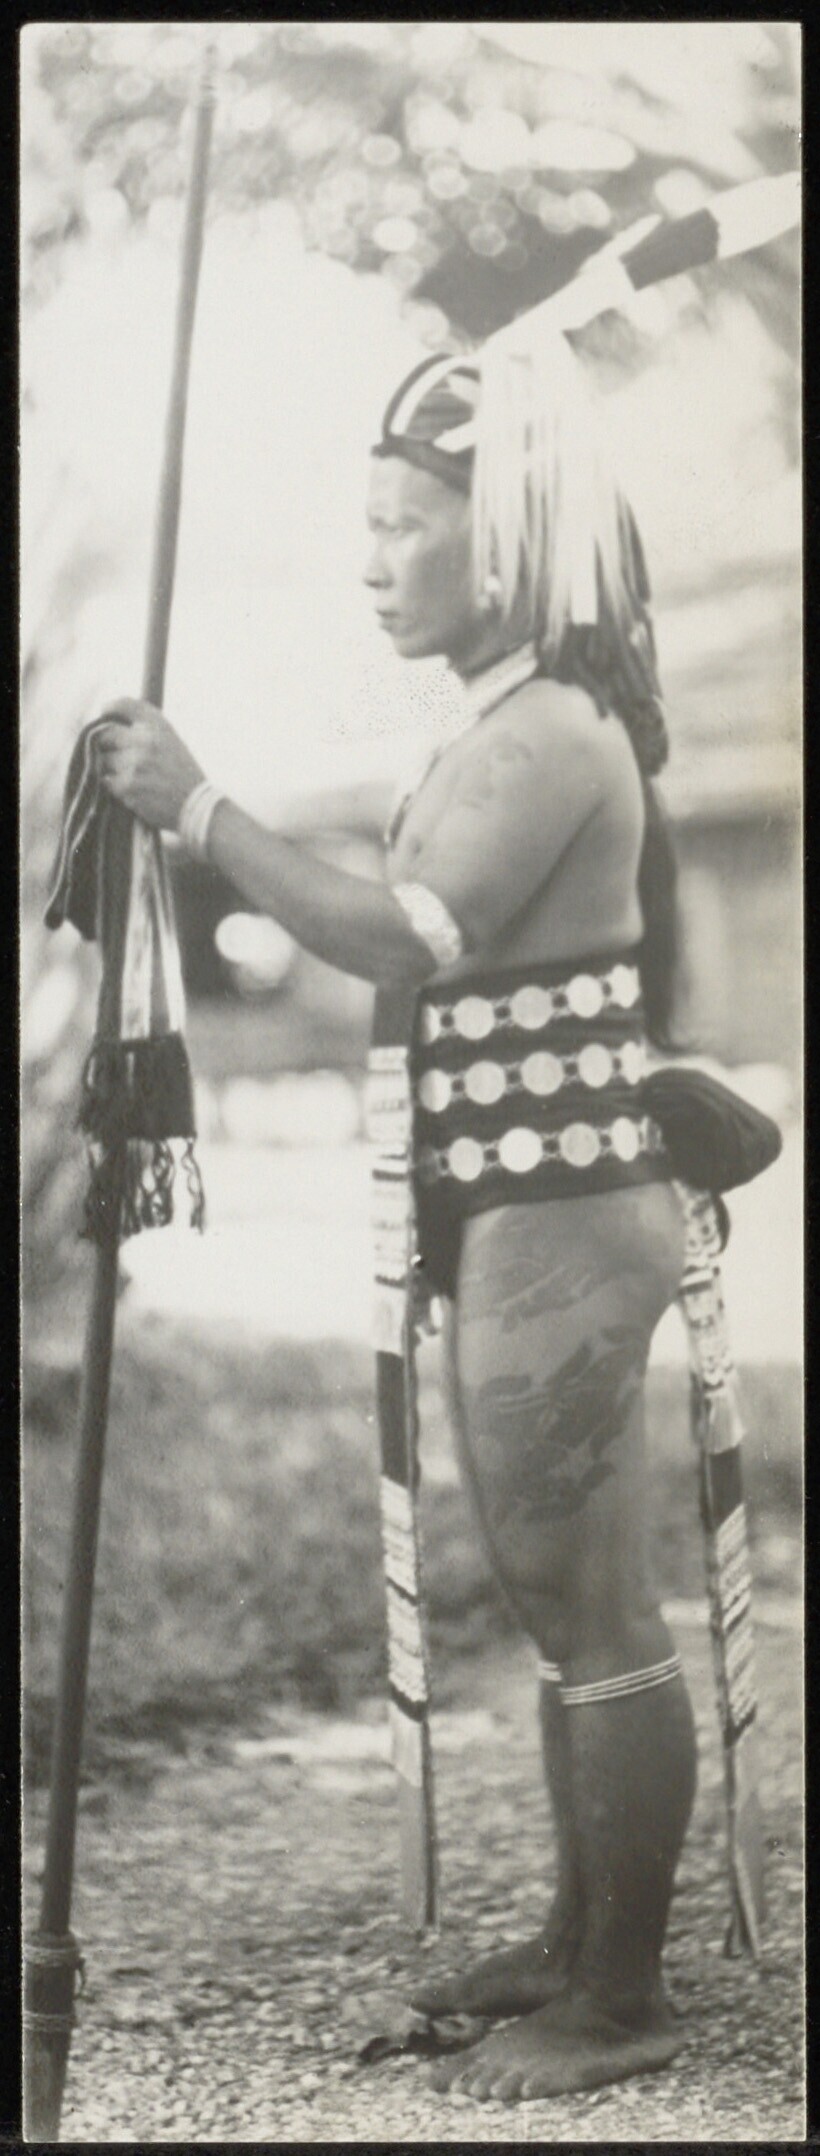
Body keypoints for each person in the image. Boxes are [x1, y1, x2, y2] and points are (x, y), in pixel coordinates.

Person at [97, 325, 700, 2103]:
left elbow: (397, 935)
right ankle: (581, 1947)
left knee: (595, 1609)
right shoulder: (507, 723)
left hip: (563, 1209)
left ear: (501, 537)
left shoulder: (553, 731)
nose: (370, 563)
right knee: (560, 1603)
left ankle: (624, 1998)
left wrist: (199, 808)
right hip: (522, 1207)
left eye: (399, 524)